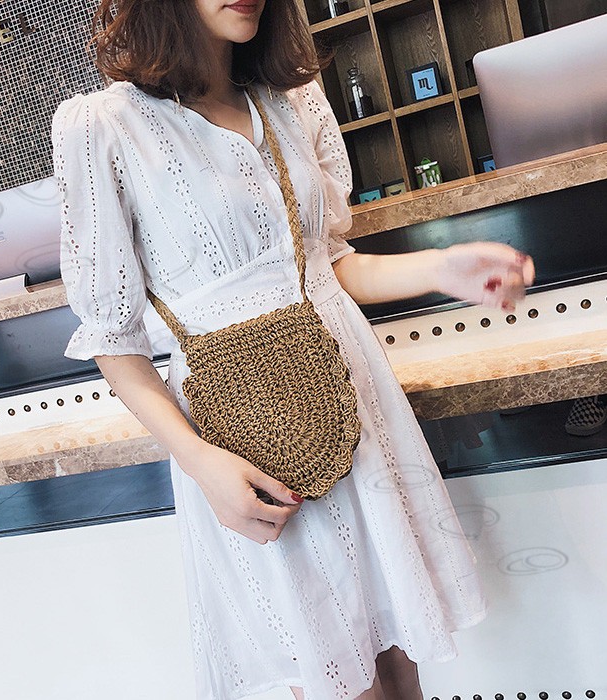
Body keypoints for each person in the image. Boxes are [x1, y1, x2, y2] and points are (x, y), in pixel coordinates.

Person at [51, 1, 535, 698]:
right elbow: (113, 341)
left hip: (353, 398)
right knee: (337, 672)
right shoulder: (102, 126)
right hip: (243, 434)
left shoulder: (291, 98)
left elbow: (325, 266)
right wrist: (199, 462)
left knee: (399, 669)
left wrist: (439, 268)